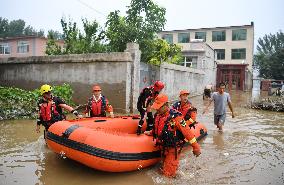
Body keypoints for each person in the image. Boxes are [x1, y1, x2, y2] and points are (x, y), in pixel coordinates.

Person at [144, 94, 201, 178]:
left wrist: (196, 147)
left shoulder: (176, 117)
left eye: (159, 107)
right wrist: (151, 132)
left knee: (167, 175)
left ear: (166, 105)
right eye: (156, 107)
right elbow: (158, 128)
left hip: (172, 149)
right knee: (162, 170)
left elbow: (187, 133)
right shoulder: (158, 115)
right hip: (162, 147)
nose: (157, 109)